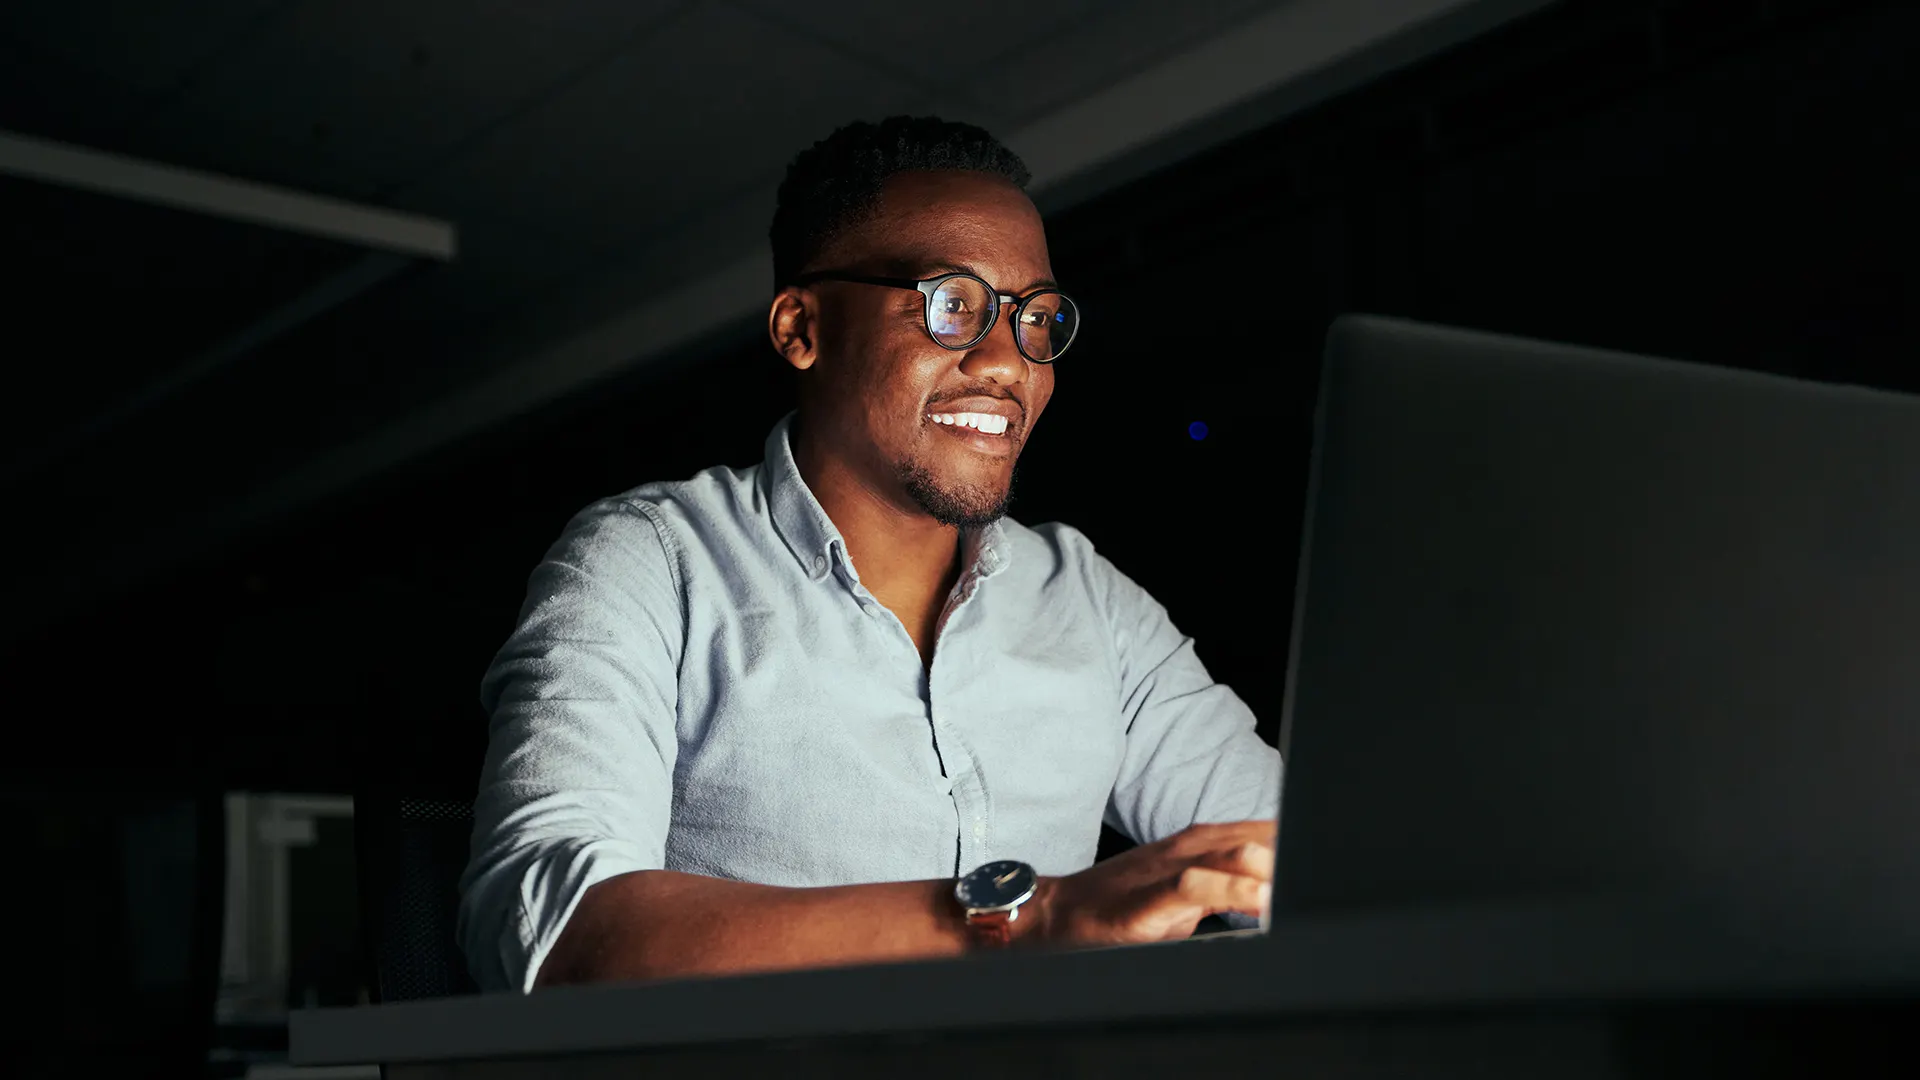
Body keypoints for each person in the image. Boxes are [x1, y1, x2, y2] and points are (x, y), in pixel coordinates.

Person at [457, 116, 1282, 994]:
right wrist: (1029, 918)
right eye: (952, 305)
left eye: (1035, 318)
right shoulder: (650, 561)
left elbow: (1295, 857)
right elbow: (551, 925)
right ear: (801, 327)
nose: (1009, 365)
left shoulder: (1087, 599)